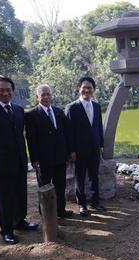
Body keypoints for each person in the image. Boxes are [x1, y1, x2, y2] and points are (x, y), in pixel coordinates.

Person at [0, 75, 38, 245]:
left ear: (13, 91)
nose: (5, 93)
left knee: (20, 194)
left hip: (20, 160)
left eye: (8, 90)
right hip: (1, 164)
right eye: (1, 90)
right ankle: (7, 230)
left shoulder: (19, 110)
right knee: (4, 198)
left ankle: (20, 222)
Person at [25, 84, 73, 219]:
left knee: (60, 186)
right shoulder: (31, 115)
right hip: (43, 160)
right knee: (44, 187)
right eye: (43, 95)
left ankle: (61, 210)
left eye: (48, 94)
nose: (46, 97)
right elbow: (30, 139)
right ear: (37, 97)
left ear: (51, 96)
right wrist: (34, 159)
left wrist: (69, 152)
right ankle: (46, 215)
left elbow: (66, 134)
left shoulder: (59, 112)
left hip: (60, 157)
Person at [65, 77, 105, 217]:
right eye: (84, 87)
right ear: (79, 88)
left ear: (93, 90)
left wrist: (101, 145)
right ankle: (82, 205)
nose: (87, 90)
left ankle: (95, 202)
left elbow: (99, 127)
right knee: (80, 177)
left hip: (94, 148)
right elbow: (68, 132)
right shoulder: (72, 107)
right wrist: (72, 150)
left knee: (95, 176)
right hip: (79, 150)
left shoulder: (97, 106)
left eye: (90, 88)